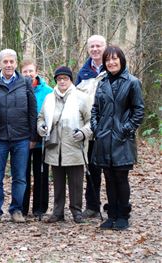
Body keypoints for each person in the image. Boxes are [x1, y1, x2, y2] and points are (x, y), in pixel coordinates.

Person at [91, 46, 144, 230]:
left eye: (114, 59)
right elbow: (95, 109)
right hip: (104, 138)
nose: (111, 62)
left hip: (122, 139)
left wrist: (125, 130)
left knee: (121, 178)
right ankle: (111, 214)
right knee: (109, 178)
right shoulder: (102, 82)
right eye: (108, 60)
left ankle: (123, 214)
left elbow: (139, 111)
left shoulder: (132, 82)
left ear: (121, 60)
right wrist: (97, 129)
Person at [0, 49, 37, 225]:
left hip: (21, 137)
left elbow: (32, 110)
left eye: (11, 62)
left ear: (16, 63)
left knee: (20, 176)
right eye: (5, 62)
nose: (8, 65)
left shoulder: (25, 82)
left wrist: (32, 136)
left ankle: (16, 210)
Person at [37, 66, 92, 224]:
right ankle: (58, 212)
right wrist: (41, 128)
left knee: (76, 182)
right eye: (59, 79)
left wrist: (83, 132)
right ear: (56, 80)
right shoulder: (49, 98)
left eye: (65, 78)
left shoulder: (81, 98)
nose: (62, 81)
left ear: (70, 80)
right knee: (58, 183)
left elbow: (91, 121)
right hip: (54, 147)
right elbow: (41, 118)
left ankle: (76, 212)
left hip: (74, 146)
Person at [75, 35, 107, 219]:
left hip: (109, 128)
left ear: (105, 47)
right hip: (90, 129)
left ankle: (115, 205)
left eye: (98, 46)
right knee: (92, 169)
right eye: (92, 46)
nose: (95, 49)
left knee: (111, 169)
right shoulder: (84, 72)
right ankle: (92, 206)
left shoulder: (113, 66)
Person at [20, 59, 53, 217]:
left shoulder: (47, 91)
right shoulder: (18, 88)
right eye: (25, 71)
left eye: (30, 71)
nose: (28, 74)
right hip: (23, 139)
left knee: (41, 174)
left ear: (36, 71)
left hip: (42, 140)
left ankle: (40, 208)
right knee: (23, 174)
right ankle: (22, 208)